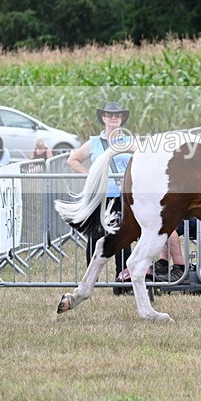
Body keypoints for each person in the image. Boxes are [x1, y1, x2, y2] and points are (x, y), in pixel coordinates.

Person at [66, 102, 133, 286]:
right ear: (103, 118)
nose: (114, 118)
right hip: (100, 196)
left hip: (122, 195)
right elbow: (73, 160)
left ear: (122, 119)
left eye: (117, 115)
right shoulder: (94, 142)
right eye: (110, 115)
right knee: (95, 235)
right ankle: (91, 278)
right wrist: (89, 175)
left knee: (122, 236)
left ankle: (123, 277)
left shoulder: (128, 141)